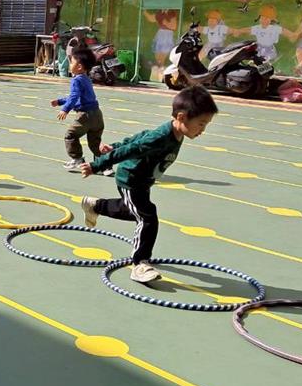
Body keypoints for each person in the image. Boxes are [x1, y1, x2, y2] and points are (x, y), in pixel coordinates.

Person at [80, 85, 218, 284]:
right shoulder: (162, 137)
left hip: (143, 182)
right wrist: (97, 165)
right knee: (147, 217)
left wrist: (115, 145)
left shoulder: (175, 133)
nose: (202, 130)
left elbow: (141, 136)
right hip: (131, 179)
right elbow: (134, 148)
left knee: (132, 210)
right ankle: (140, 264)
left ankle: (95, 205)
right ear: (181, 117)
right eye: (201, 124)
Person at [51, 48, 107, 172]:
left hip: (85, 116)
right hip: (97, 115)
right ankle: (105, 166)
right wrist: (60, 101)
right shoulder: (86, 79)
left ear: (79, 66)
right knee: (95, 142)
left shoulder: (76, 80)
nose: (70, 64)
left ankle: (77, 159)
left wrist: (65, 109)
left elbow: (74, 97)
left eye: (71, 62)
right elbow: (78, 97)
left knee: (70, 135)